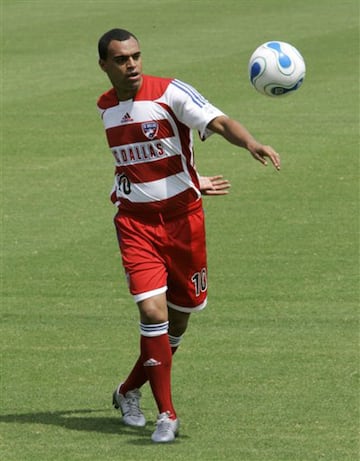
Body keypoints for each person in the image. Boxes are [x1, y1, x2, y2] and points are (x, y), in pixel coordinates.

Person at [97, 28, 280, 443]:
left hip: (184, 224)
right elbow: (136, 164)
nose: (132, 65)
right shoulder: (105, 106)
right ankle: (167, 414)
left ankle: (127, 391)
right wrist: (191, 178)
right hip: (135, 224)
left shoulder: (170, 93)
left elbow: (217, 120)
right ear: (104, 66)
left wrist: (249, 142)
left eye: (136, 56)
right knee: (153, 314)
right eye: (122, 59)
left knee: (178, 320)